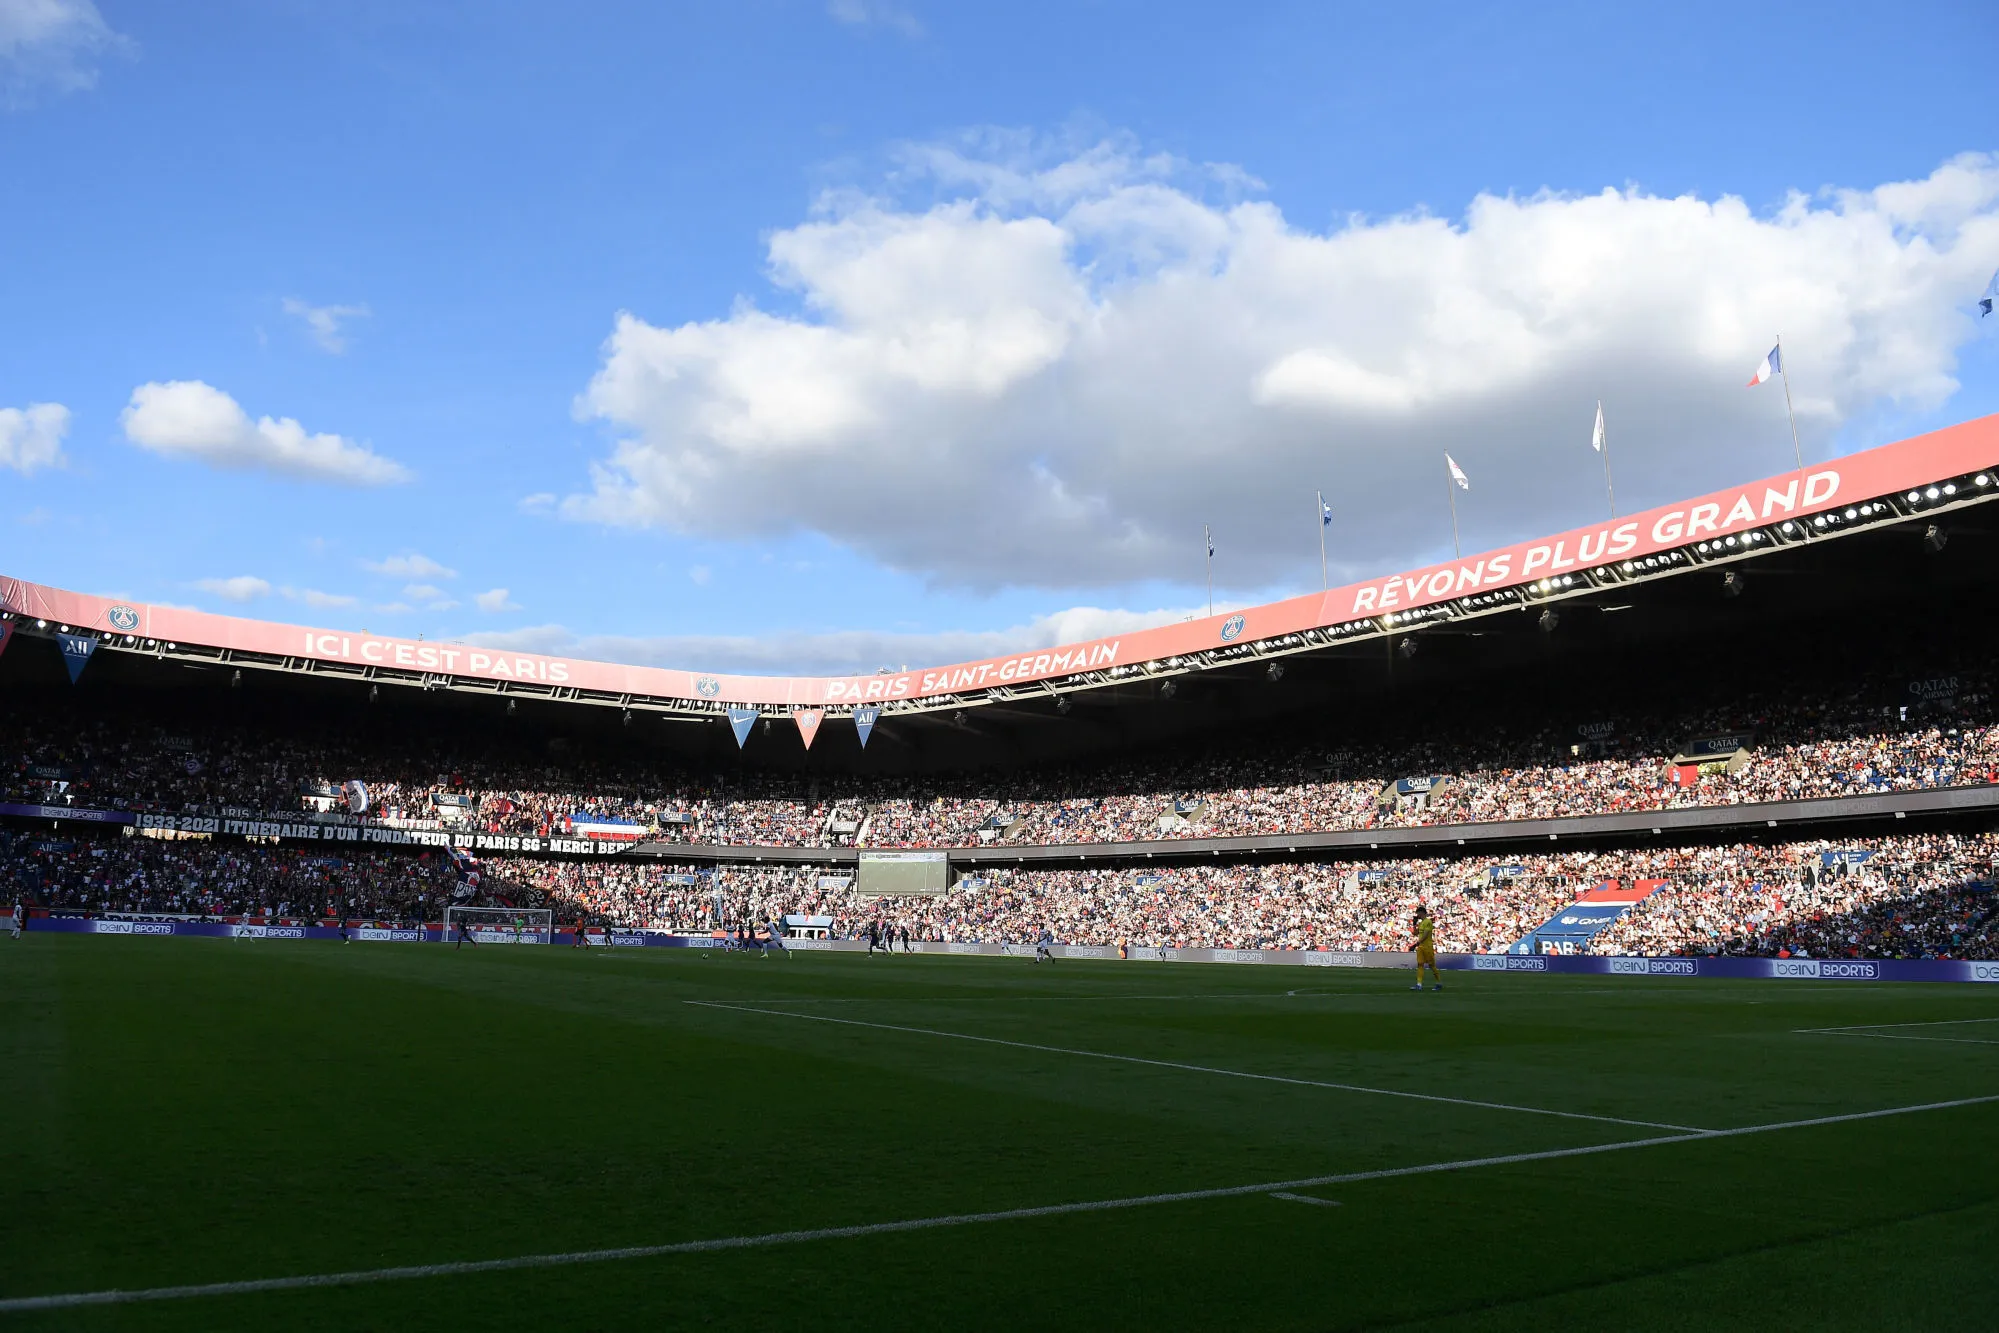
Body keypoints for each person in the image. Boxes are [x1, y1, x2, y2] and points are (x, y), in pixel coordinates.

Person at [1411, 904, 1441, 991]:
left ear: (1422, 913)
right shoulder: (1421, 923)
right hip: (1421, 947)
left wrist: (1416, 944)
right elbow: (1415, 933)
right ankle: (1419, 984)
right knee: (1420, 964)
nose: (1417, 915)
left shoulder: (1428, 922)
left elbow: (1425, 935)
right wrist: (1414, 924)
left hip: (1427, 946)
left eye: (1418, 913)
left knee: (1432, 965)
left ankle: (1438, 982)